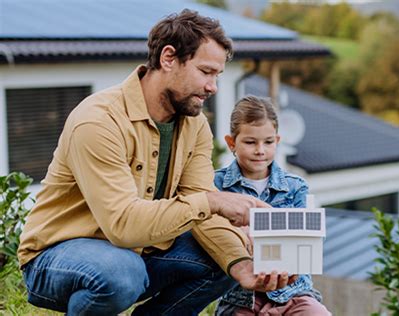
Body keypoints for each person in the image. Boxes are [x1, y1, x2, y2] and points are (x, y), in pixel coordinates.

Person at [17, 10, 293, 315]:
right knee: (121, 273)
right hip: (57, 257)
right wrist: (213, 201)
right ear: (168, 58)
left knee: (225, 255)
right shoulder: (98, 120)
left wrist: (241, 266)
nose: (213, 86)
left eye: (218, 75)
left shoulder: (195, 125)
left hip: (139, 253)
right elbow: (122, 225)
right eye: (205, 72)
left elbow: (200, 206)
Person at [214, 95, 332, 315]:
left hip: (293, 293)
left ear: (277, 141)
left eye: (268, 142)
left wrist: (253, 233)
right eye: (250, 142)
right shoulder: (216, 185)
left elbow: (309, 240)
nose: (260, 150)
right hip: (240, 297)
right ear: (232, 143)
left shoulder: (296, 186)